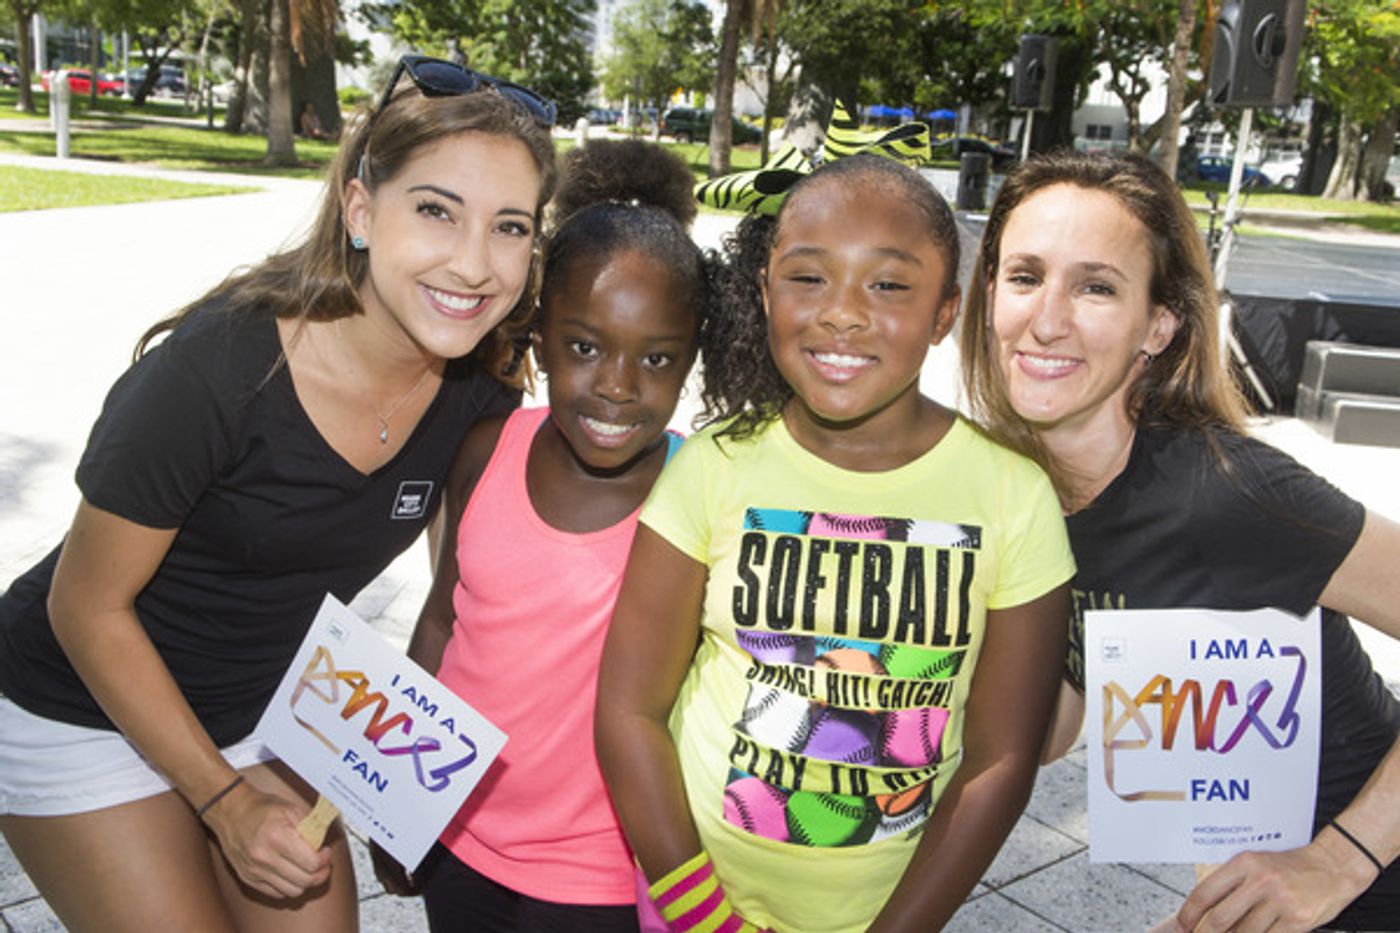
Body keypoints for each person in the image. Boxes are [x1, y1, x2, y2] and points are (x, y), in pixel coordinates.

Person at [0, 55, 558, 933]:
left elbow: (464, 603)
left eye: (511, 227)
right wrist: (221, 799)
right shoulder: (219, 368)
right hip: (81, 702)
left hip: (271, 705)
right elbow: (85, 604)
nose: (474, 262)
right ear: (362, 209)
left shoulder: (480, 387)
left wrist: (404, 782)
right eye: (436, 211)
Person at [595, 152, 1076, 933]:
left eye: (887, 285)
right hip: (694, 907)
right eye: (809, 278)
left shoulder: (1012, 498)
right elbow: (628, 707)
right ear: (765, 291)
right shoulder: (714, 467)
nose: (842, 313)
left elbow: (1001, 759)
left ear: (946, 312)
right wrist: (702, 914)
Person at [959, 149, 1400, 932]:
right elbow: (1053, 731)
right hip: (1248, 898)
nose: (1048, 318)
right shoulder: (1026, 492)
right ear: (989, 292)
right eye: (1025, 276)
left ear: (1158, 324)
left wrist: (1339, 858)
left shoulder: (1227, 492)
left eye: (1096, 286)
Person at [370, 138, 712, 932]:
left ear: (692, 359)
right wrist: (399, 809)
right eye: (585, 347)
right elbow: (443, 623)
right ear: (537, 338)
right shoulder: (489, 450)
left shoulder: (702, 491)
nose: (617, 386)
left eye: (657, 358)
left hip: (601, 872)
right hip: (460, 839)